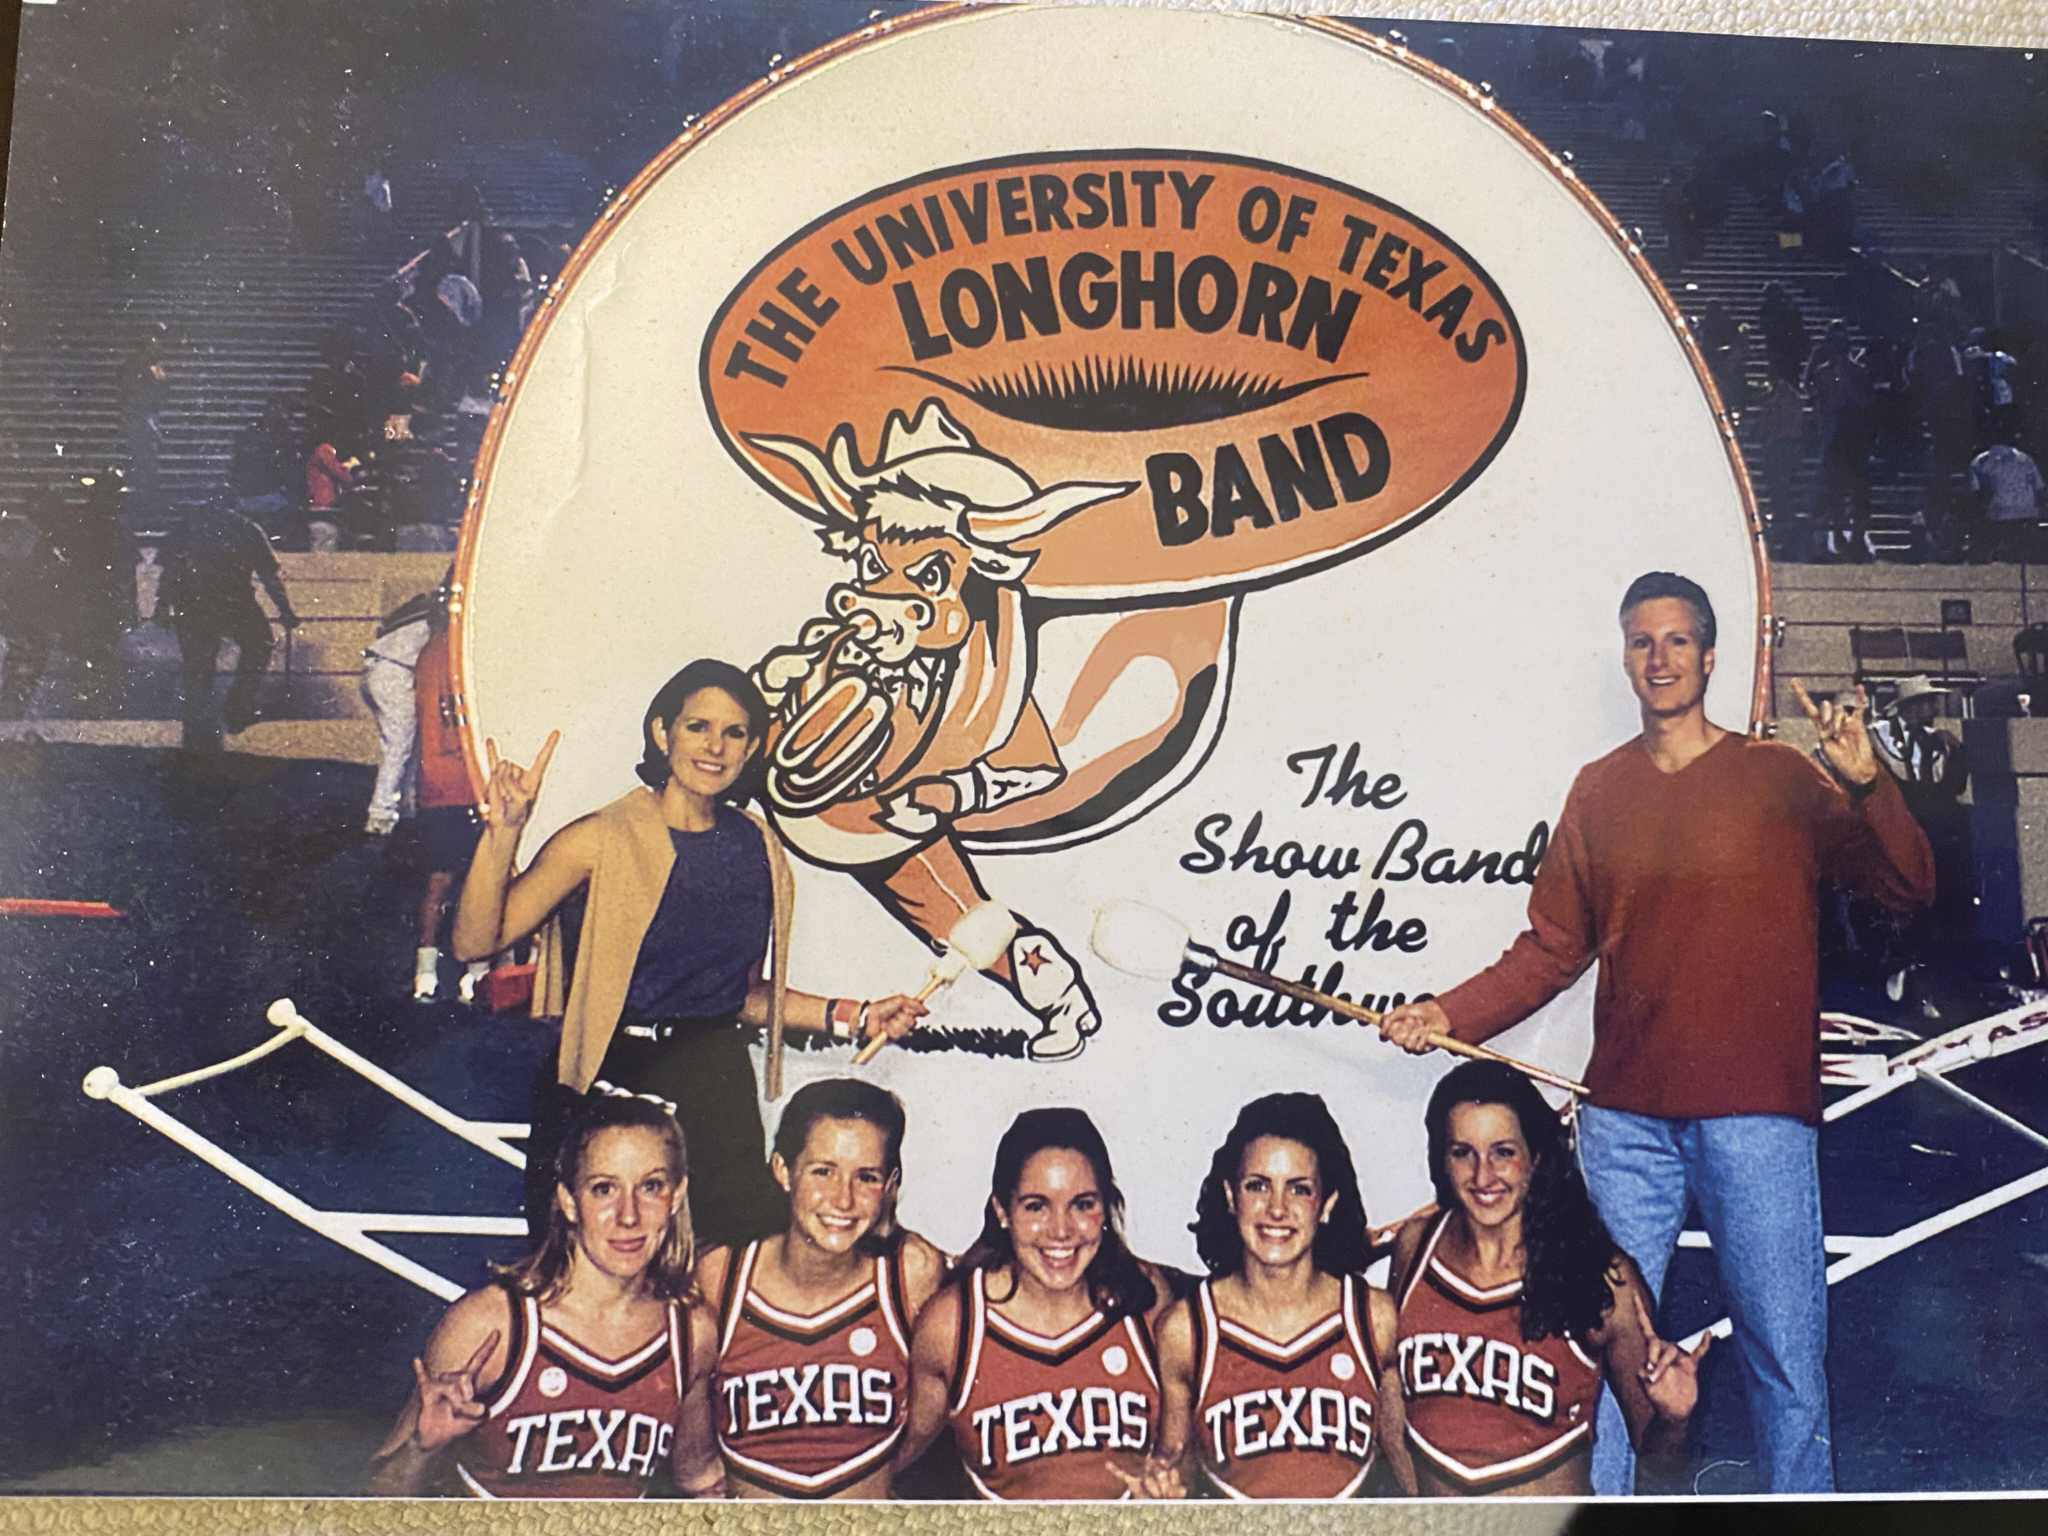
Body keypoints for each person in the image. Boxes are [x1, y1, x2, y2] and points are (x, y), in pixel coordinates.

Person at [1379, 571, 1934, 1494]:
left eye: (1678, 641)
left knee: (1786, 1356)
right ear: (1625, 658)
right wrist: (1449, 1014)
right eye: (1643, 642)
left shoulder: (1782, 777)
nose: (1660, 658)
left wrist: (1869, 781)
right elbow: (1552, 947)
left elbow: (1907, 885)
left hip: (1758, 1118)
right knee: (1598, 1353)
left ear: (1710, 656)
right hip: (1623, 1123)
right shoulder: (1599, 791)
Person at [451, 658, 926, 1249]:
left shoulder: (754, 845)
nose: (715, 747)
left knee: (729, 1268)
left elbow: (739, 996)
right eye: (698, 726)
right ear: (662, 733)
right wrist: (505, 832)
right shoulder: (599, 838)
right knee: (588, 1274)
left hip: (711, 1079)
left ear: (752, 746)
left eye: (734, 733)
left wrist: (856, 1015)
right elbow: (475, 942)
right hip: (607, 1076)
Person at [366, 1095, 724, 1498]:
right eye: (604, 1189)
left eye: (651, 1187)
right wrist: (420, 1449)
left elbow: (700, 1479)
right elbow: (375, 1500)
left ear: (676, 1197)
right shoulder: (490, 1327)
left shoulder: (691, 1334)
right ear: (570, 1201)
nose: (629, 1216)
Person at [1390, 1062, 1706, 1496]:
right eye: (1462, 1152)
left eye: (1503, 1152)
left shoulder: (1602, 1276)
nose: (1483, 1176)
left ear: (1536, 1157)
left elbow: (1662, 1465)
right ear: (1441, 1161)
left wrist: (1674, 1419)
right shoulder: (1415, 1248)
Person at [897, 1107, 1176, 1500]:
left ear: (1106, 1209)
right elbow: (893, 1460)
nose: (1060, 1231)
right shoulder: (954, 1324)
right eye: (1036, 1206)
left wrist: (1168, 1495)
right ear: (1002, 1212)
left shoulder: (1145, 1301)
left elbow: (1185, 1451)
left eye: (1082, 1204)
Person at [1152, 1092, 1411, 1499]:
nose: (1277, 1209)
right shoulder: (1187, 1330)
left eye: (1299, 1189)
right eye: (1258, 1186)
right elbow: (1176, 1477)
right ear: (1230, 1196)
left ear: (1326, 1204)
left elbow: (1409, 1475)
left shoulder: (1372, 1319)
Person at [698, 1078, 945, 1498]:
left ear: (888, 1185)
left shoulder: (910, 1274)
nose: (842, 1200)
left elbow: (926, 1420)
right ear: (783, 1170)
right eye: (823, 1171)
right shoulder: (721, 1275)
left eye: (866, 1177)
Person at [158, 497, 299, 748]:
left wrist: (162, 605)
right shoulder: (246, 528)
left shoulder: (188, 526)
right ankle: (238, 704)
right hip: (234, 602)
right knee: (259, 643)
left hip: (194, 603)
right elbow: (269, 576)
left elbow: (170, 570)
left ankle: (198, 725)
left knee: (199, 665)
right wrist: (285, 610)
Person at [1870, 675, 1973, 1003]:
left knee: (1944, 899)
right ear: (1911, 705)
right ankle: (1905, 970)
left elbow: (1954, 785)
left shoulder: (1938, 740)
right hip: (1903, 821)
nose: (1931, 708)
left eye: (1931, 702)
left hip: (1936, 825)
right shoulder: (1879, 735)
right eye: (1926, 702)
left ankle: (1939, 978)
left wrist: (1955, 749)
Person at [409, 619, 489, 1004]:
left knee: (437, 882)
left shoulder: (429, 651)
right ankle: (477, 971)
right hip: (466, 781)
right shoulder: (462, 650)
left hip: (433, 785)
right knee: (482, 879)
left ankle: (425, 971)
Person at [359, 580, 443, 837]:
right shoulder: (443, 611)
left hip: (374, 669)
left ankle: (404, 806)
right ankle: (381, 816)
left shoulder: (422, 603)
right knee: (398, 747)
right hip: (396, 673)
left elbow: (385, 626)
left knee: (399, 746)